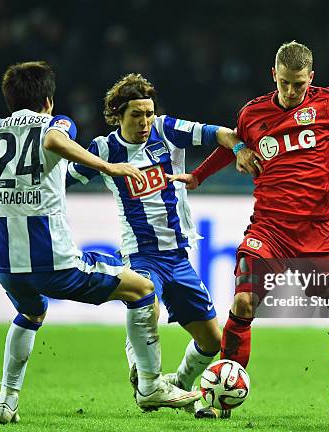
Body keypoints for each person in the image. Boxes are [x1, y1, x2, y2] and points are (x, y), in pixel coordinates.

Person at [0, 62, 200, 424]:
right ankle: (151, 385)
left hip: (9, 262)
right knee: (142, 289)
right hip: (54, 259)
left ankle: (6, 401)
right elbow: (52, 140)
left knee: (30, 313)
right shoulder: (57, 124)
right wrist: (109, 168)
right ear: (48, 100)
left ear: (9, 99)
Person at [171, 41, 329, 417]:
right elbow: (231, 146)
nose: (291, 92)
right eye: (285, 84)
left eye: (299, 84)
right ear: (273, 75)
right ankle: (221, 398)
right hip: (269, 229)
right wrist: (198, 176)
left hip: (318, 235)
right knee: (243, 302)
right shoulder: (253, 113)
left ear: (311, 78)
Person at [65, 73, 240, 415]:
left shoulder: (167, 129)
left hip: (178, 255)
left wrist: (240, 147)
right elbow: (64, 180)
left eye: (148, 113)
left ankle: (178, 385)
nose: (145, 122)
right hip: (140, 253)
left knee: (212, 341)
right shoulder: (104, 150)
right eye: (137, 115)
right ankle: (147, 379)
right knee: (145, 301)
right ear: (117, 114)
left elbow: (219, 133)